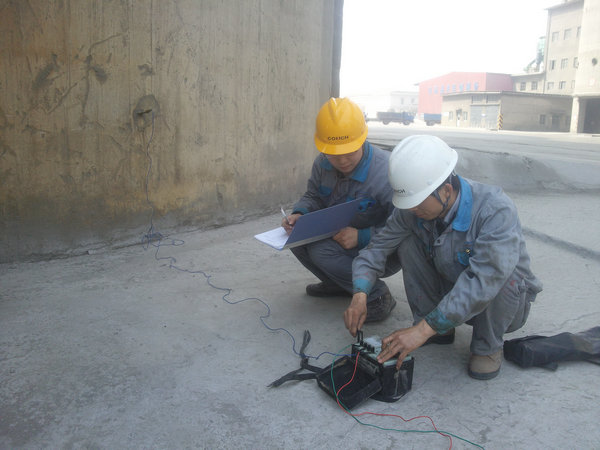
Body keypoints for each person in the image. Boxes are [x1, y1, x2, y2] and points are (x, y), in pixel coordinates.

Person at [344, 135, 542, 380]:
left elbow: (482, 282)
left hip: (502, 305)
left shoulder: (495, 210)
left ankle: (487, 346)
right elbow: (378, 248)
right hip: (452, 290)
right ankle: (438, 330)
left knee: (502, 273)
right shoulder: (412, 209)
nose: (411, 211)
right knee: (407, 243)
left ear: (446, 190)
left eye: (417, 205)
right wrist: (360, 293)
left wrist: (421, 331)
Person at [282, 97, 398, 323]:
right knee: (296, 238)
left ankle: (377, 295)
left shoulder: (387, 172)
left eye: (350, 152)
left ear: (362, 139)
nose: (342, 161)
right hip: (340, 238)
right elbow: (313, 195)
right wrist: (300, 214)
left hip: (383, 249)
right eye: (334, 154)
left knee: (320, 251)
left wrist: (363, 236)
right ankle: (339, 285)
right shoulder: (322, 163)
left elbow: (405, 224)